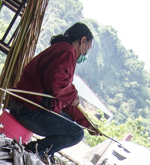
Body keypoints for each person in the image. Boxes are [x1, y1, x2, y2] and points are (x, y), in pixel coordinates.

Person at [7, 22, 99, 156]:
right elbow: (57, 83)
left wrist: (87, 123)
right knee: (77, 133)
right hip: (27, 110)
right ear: (82, 41)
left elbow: (63, 100)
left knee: (70, 120)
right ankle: (34, 150)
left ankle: (42, 150)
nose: (86, 54)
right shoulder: (67, 52)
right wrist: (73, 95)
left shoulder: (61, 49)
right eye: (87, 48)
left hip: (20, 105)